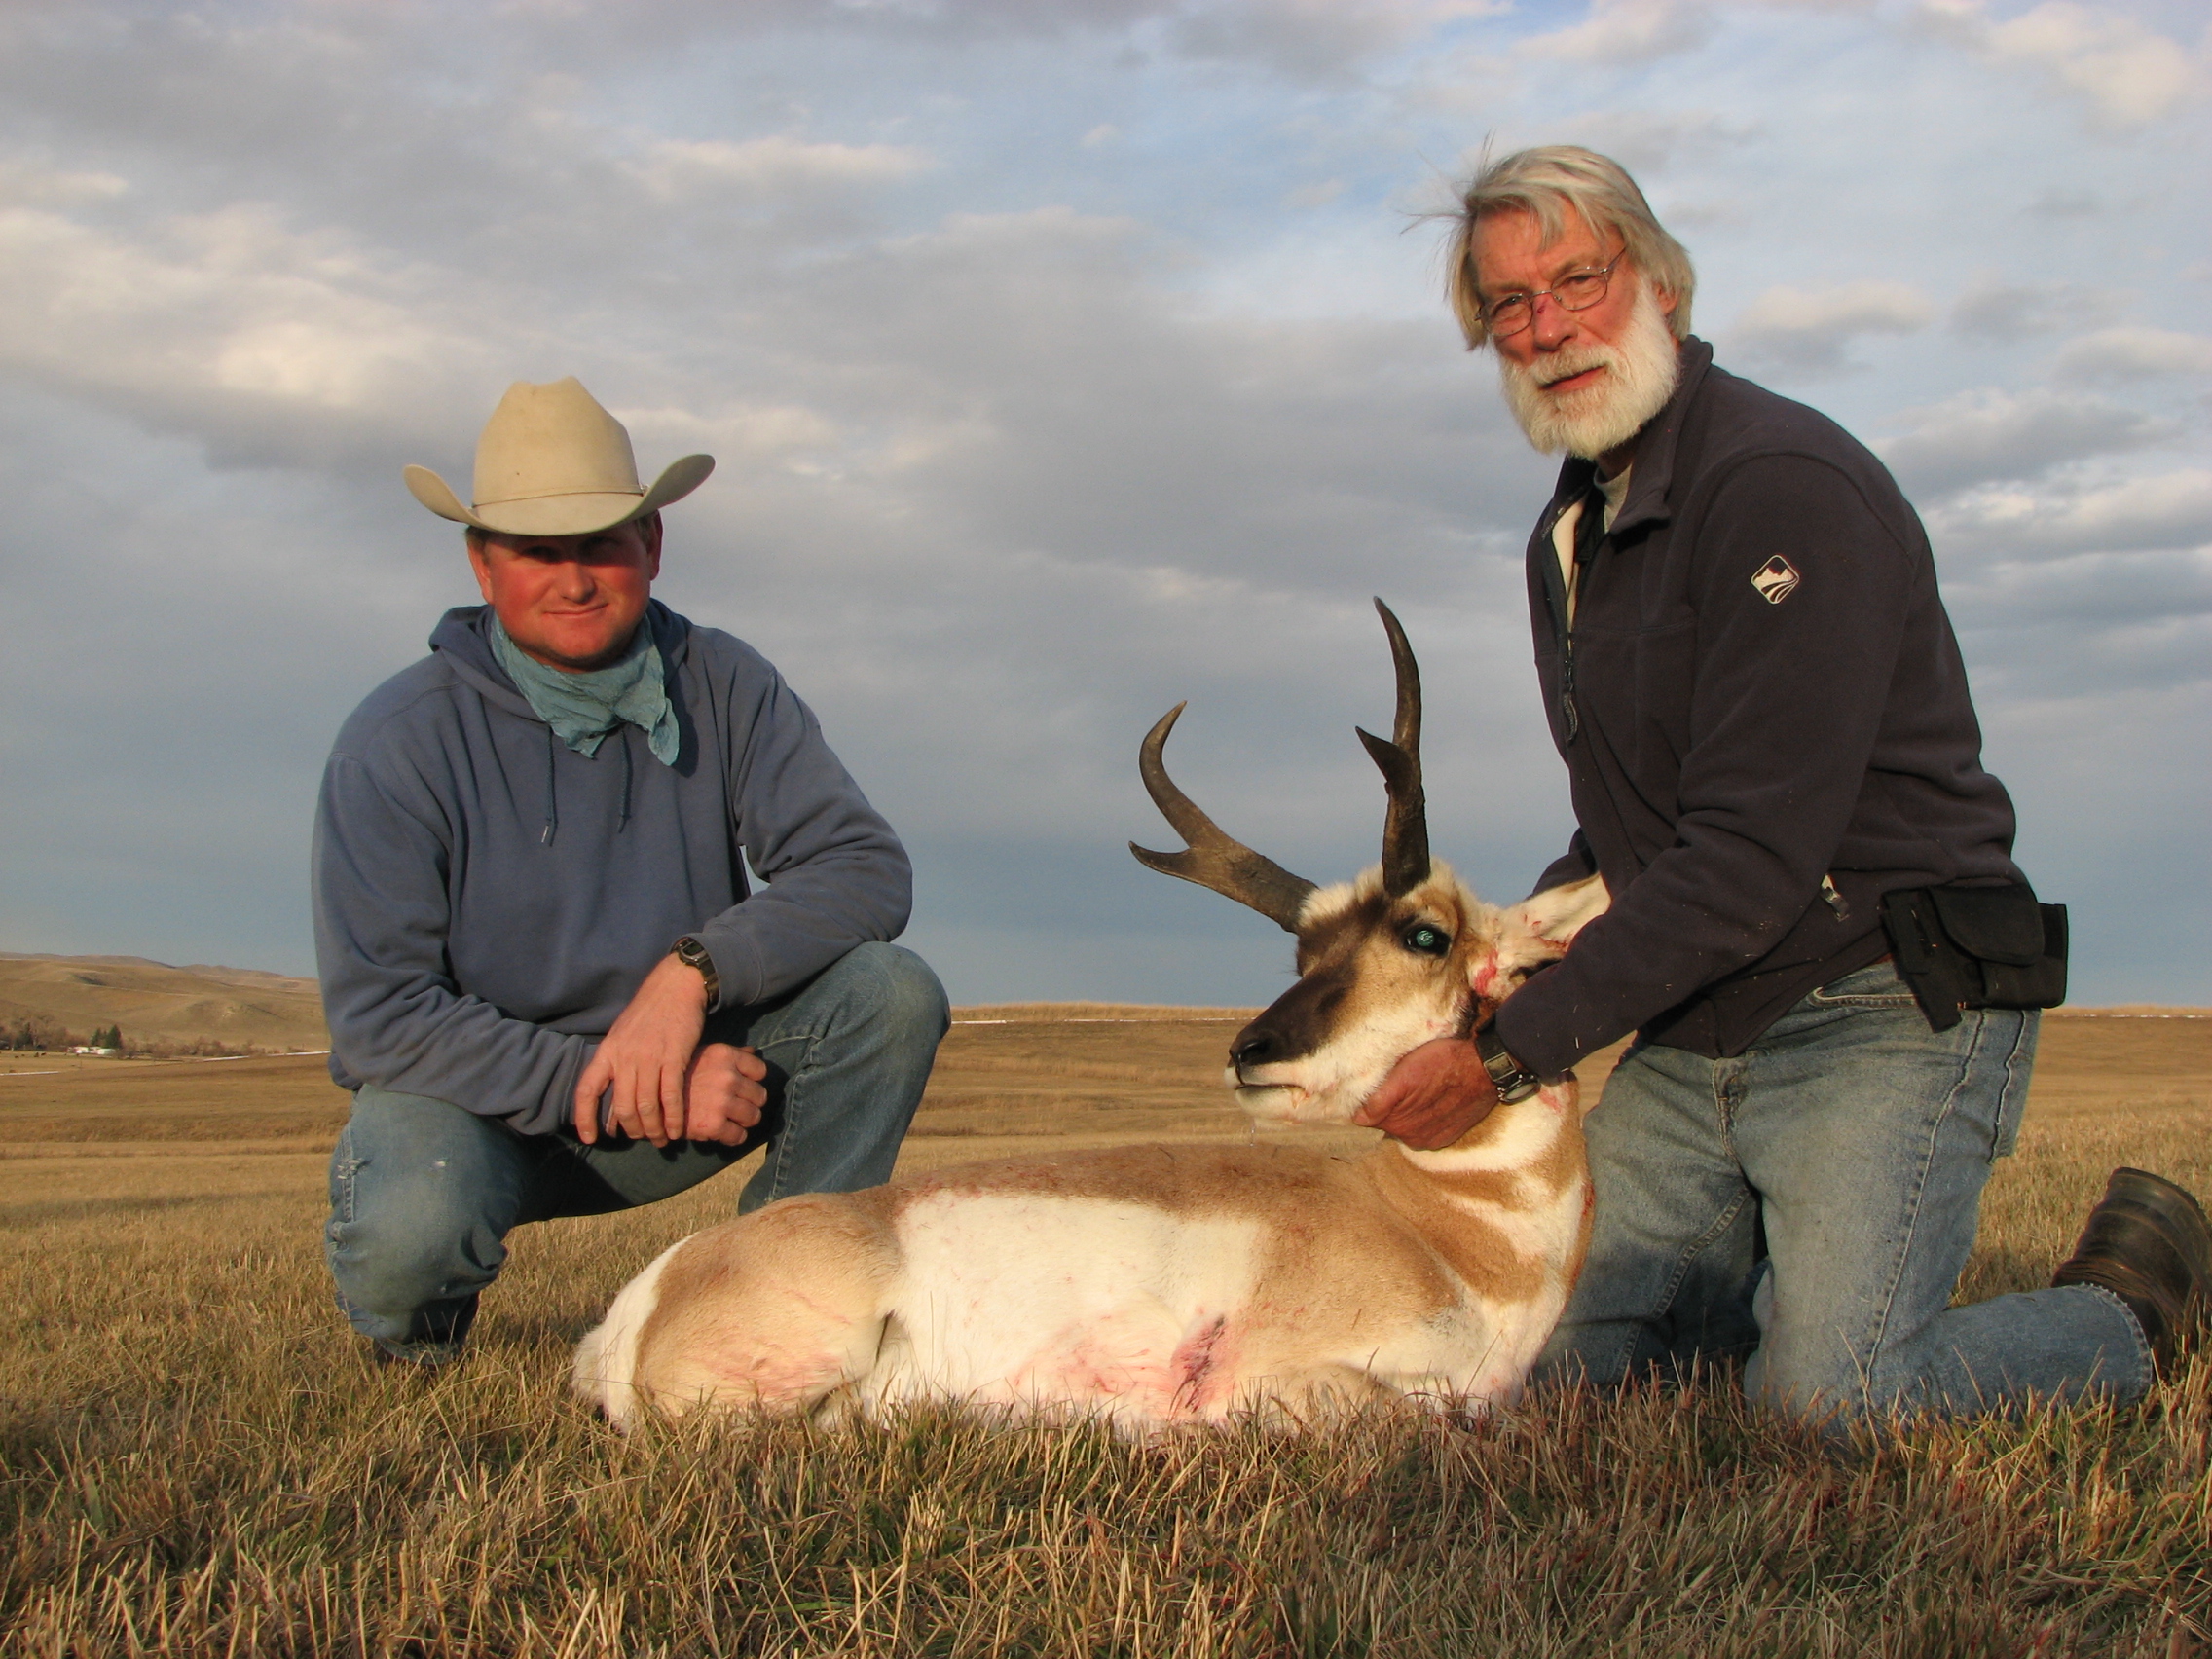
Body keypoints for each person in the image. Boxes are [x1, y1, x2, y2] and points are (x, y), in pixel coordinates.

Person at [1354, 146, 2208, 1419]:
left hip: (1883, 997)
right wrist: (1504, 956)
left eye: (1577, 280)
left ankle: (2132, 1308)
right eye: (1511, 307)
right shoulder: (1574, 532)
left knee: (1827, 1406)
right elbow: (1627, 830)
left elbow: (1751, 851)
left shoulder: (1778, 490)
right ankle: (1768, 1292)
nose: (1549, 328)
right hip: (1704, 1019)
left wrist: (1510, 1057)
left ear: (1662, 286)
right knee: (1536, 1367)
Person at [315, 377, 949, 1367]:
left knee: (889, 995)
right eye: (536, 551)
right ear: (482, 565)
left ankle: (777, 1301)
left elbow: (863, 868)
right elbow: (382, 1019)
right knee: (413, 1211)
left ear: (652, 546)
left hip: (692, 1077)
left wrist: (692, 973)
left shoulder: (724, 680)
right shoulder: (397, 740)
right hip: (482, 1113)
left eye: (602, 544)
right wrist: (618, 1083)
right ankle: (412, 1346)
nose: (574, 580)